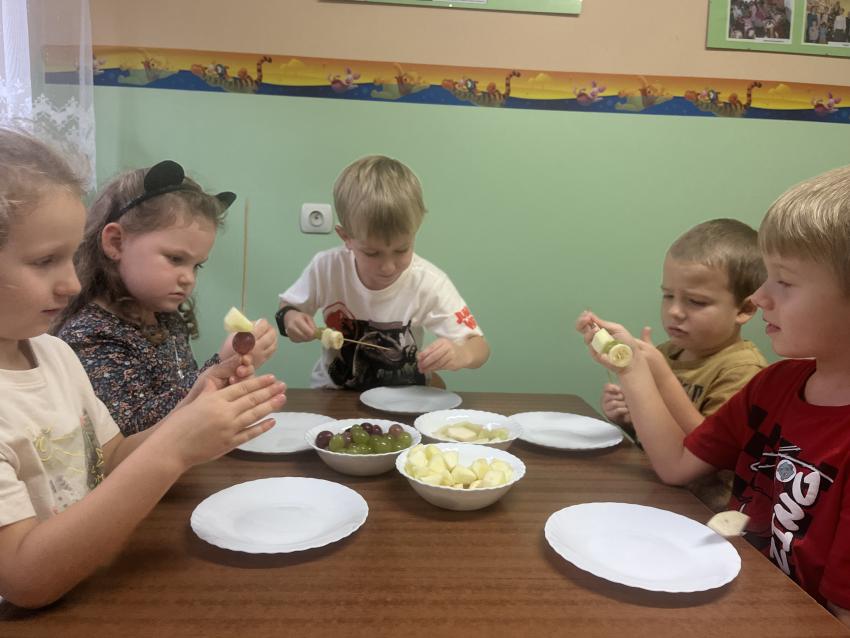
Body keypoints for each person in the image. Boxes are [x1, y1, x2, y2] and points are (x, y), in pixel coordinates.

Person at [0, 128, 286, 608]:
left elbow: (111, 458)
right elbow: (25, 581)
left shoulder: (54, 355)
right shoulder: (82, 340)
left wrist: (196, 402)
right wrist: (175, 448)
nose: (72, 283)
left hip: (97, 581)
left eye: (68, 258)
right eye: (45, 260)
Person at [577, 165, 850, 625]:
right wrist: (633, 367)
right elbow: (676, 465)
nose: (759, 297)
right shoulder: (775, 386)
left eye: (784, 281)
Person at [55, 160, 278, 434]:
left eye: (197, 265)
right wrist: (219, 367)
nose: (189, 278)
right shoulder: (90, 335)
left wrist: (232, 374)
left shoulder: (167, 318)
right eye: (175, 259)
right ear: (116, 242)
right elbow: (131, 432)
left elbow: (180, 396)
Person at [278, 155, 489, 390]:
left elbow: (479, 347)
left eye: (401, 249)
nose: (388, 266)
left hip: (405, 398)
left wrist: (461, 354)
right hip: (335, 395)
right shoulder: (326, 267)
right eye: (372, 253)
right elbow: (288, 308)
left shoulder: (428, 282)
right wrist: (291, 320)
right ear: (346, 237)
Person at [599, 219, 767, 510]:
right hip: (655, 490)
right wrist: (628, 418)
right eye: (668, 296)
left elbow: (715, 449)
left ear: (744, 308)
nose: (675, 311)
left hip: (703, 509)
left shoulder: (742, 370)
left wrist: (662, 377)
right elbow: (658, 438)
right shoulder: (667, 352)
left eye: (696, 301)